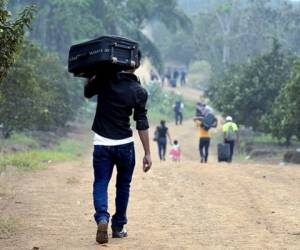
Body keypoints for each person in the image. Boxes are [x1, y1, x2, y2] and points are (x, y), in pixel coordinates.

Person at [84, 51, 152, 244]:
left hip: (102, 144)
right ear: (136, 65)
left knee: (101, 183)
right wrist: (147, 153)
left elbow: (88, 92)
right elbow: (142, 123)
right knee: (123, 186)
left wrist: (92, 72)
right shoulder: (139, 91)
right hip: (124, 146)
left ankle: (102, 218)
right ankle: (118, 226)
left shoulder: (105, 79)